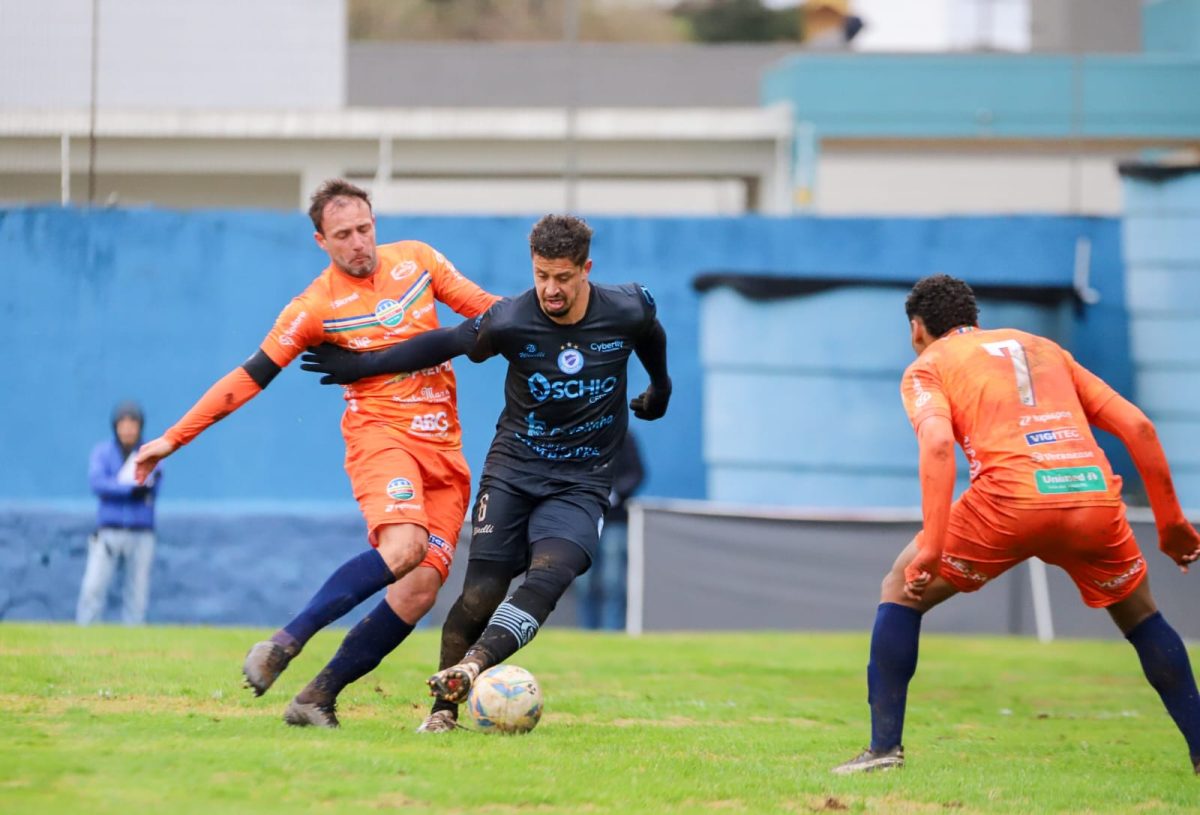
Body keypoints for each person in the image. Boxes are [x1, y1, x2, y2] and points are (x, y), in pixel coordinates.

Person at [133, 179, 498, 728]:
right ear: (320, 240)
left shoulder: (418, 261)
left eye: (365, 229)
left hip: (445, 451)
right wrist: (173, 437)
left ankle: (316, 697)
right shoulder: (314, 307)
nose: (359, 243)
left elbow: (491, 314)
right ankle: (284, 643)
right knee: (405, 548)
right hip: (382, 440)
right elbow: (250, 375)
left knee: (421, 587)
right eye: (344, 234)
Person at [300, 213, 671, 732]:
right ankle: (442, 713)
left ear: (586, 269)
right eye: (541, 275)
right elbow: (445, 341)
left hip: (582, 479)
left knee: (552, 572)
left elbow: (651, 333)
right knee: (478, 596)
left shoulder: (628, 305)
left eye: (563, 277)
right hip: (514, 471)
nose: (551, 289)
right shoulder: (512, 319)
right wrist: (361, 367)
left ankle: (472, 666)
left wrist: (661, 387)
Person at [832, 274, 1200, 775]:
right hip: (1089, 493)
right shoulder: (1043, 347)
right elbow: (1138, 426)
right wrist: (1171, 521)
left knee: (900, 588)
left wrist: (933, 546)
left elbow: (938, 446)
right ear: (975, 320)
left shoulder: (928, 366)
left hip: (1010, 500)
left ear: (917, 329)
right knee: (1142, 617)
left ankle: (883, 752)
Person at [77, 400, 163, 625]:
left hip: (141, 531)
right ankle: (84, 632)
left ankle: (132, 642)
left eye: (132, 423)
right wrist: (128, 489)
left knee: (137, 592)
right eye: (122, 423)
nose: (127, 428)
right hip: (109, 530)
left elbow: (154, 483)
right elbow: (98, 483)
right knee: (93, 587)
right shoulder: (103, 452)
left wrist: (121, 488)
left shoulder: (149, 451)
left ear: (140, 426)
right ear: (115, 426)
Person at [576, 430, 644, 630]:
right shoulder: (577, 435)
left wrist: (615, 493)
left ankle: (611, 631)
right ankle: (587, 632)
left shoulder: (623, 436)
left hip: (615, 520)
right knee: (583, 582)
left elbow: (636, 473)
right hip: (583, 521)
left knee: (612, 581)